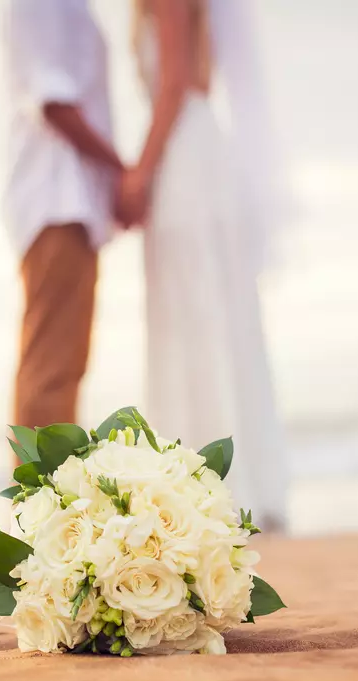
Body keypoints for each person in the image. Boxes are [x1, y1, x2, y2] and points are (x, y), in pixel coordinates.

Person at [119, 0, 290, 530]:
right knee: (209, 314)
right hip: (198, 150)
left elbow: (175, 85)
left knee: (190, 316)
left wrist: (139, 174)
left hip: (184, 159)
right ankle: (232, 483)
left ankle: (205, 489)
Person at [2, 0, 123, 433]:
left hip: (68, 199)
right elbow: (52, 100)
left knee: (63, 365)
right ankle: (39, 497)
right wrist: (120, 173)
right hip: (56, 197)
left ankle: (45, 496)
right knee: (52, 369)